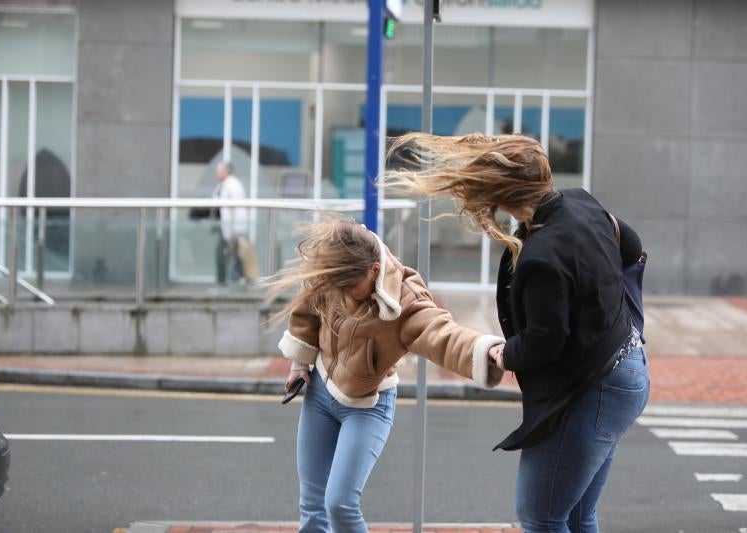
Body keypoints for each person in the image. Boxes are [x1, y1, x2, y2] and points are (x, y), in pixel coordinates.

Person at [387, 132, 650, 533]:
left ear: (502, 195)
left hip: (593, 390)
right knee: (578, 515)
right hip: (627, 369)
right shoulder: (582, 202)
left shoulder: (541, 255)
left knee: (541, 518)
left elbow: (545, 341)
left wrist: (506, 354)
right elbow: (632, 248)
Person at [269, 217, 505, 533]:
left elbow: (441, 333)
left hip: (368, 406)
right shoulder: (337, 270)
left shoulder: (403, 299)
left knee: (339, 504)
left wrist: (485, 349)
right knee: (312, 510)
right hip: (320, 395)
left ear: (375, 271)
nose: (346, 296)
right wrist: (300, 363)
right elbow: (307, 312)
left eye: (352, 287)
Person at [212, 161, 259, 286]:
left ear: (225, 171)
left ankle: (236, 280)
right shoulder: (221, 186)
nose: (216, 173)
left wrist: (237, 230)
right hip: (225, 227)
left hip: (233, 228)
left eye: (218, 171)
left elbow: (239, 209)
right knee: (228, 254)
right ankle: (226, 280)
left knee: (235, 254)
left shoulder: (233, 185)